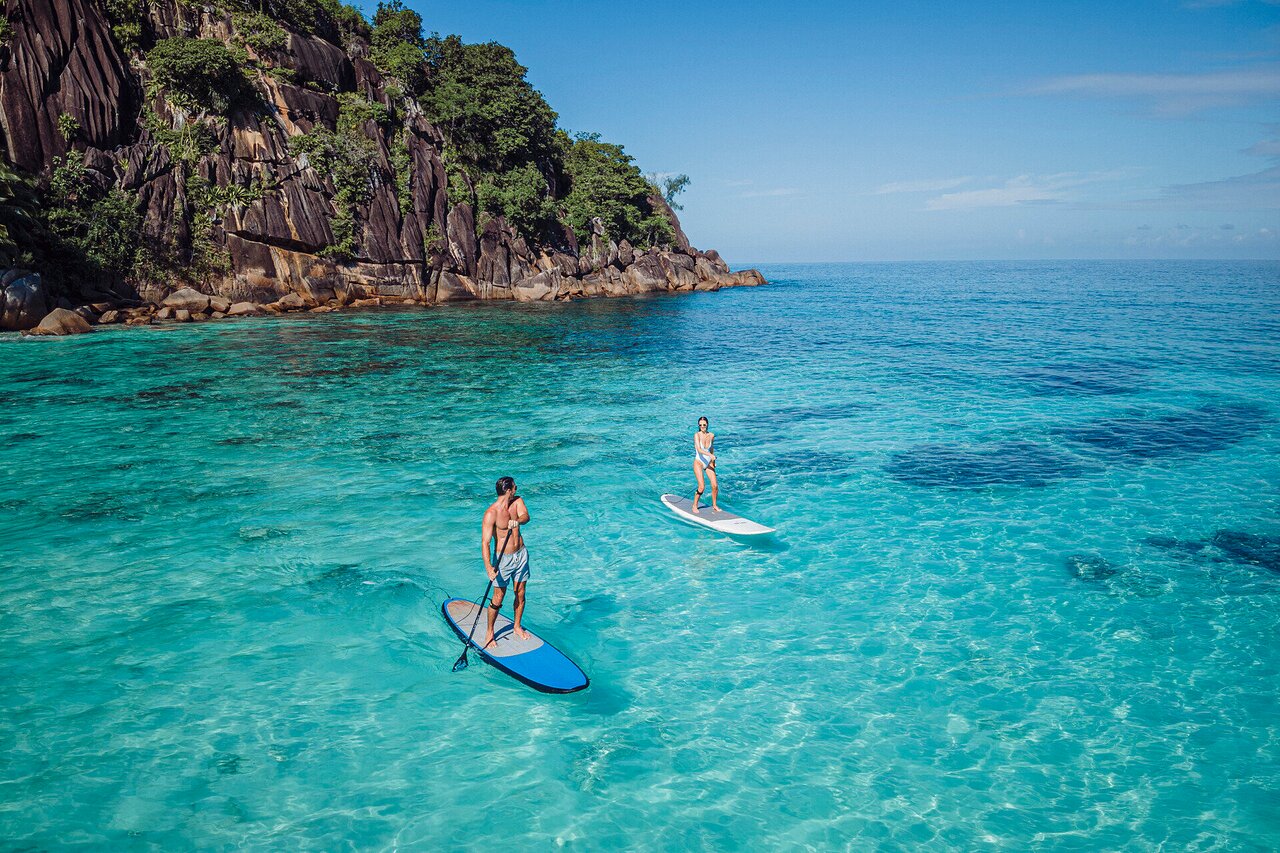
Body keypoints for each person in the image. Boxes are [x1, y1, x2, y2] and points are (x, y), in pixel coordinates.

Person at [481, 476, 531, 647]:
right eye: (515, 487)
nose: (517, 489)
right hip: (503, 559)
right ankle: (489, 632)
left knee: (520, 592)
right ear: (508, 490)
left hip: (521, 554)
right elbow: (485, 542)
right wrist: (488, 566)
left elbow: (526, 516)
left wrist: (517, 521)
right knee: (498, 596)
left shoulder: (517, 502)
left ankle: (517, 626)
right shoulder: (491, 513)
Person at [692, 416, 720, 514]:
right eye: (700, 425)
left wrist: (713, 462)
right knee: (701, 487)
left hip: (708, 463)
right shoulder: (697, 435)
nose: (702, 426)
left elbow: (711, 448)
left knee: (715, 485)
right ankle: (694, 505)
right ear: (698, 426)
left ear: (707, 424)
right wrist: (711, 455)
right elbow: (699, 450)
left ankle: (715, 505)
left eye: (704, 425)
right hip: (699, 462)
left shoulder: (711, 435)